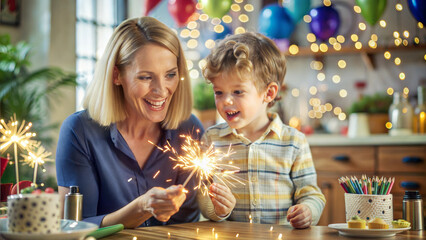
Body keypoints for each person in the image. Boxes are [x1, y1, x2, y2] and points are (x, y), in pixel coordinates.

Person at [56, 16, 203, 228]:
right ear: (117, 75)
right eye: (145, 77)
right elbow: (73, 227)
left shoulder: (189, 129)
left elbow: (189, 224)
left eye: (170, 75)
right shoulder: (79, 132)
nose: (161, 90)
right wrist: (140, 208)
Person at [198, 32, 326, 228]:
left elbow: (311, 194)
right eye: (219, 92)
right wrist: (217, 210)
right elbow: (203, 194)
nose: (226, 101)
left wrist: (308, 211)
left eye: (238, 92)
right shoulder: (212, 139)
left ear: (268, 93)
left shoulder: (293, 142)